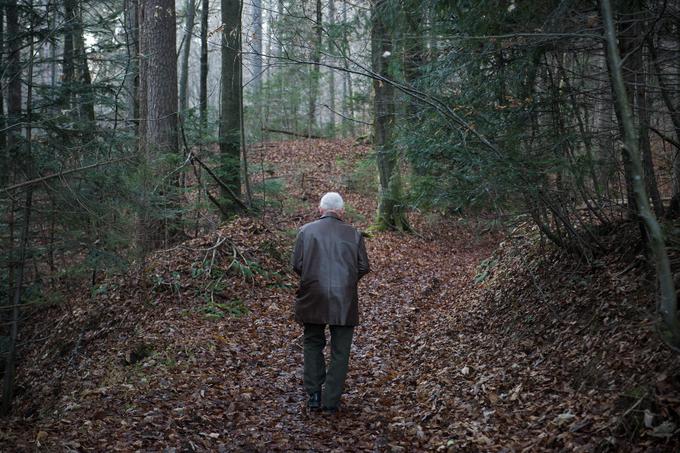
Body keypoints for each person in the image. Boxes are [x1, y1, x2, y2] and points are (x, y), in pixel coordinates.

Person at [291, 192, 370, 413]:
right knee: (340, 350)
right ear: (341, 211)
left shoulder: (305, 232)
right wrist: (346, 282)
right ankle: (331, 400)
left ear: (320, 209)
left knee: (312, 342)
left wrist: (312, 279)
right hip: (344, 299)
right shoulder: (354, 234)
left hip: (312, 296)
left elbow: (297, 264)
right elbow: (363, 266)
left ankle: (314, 394)